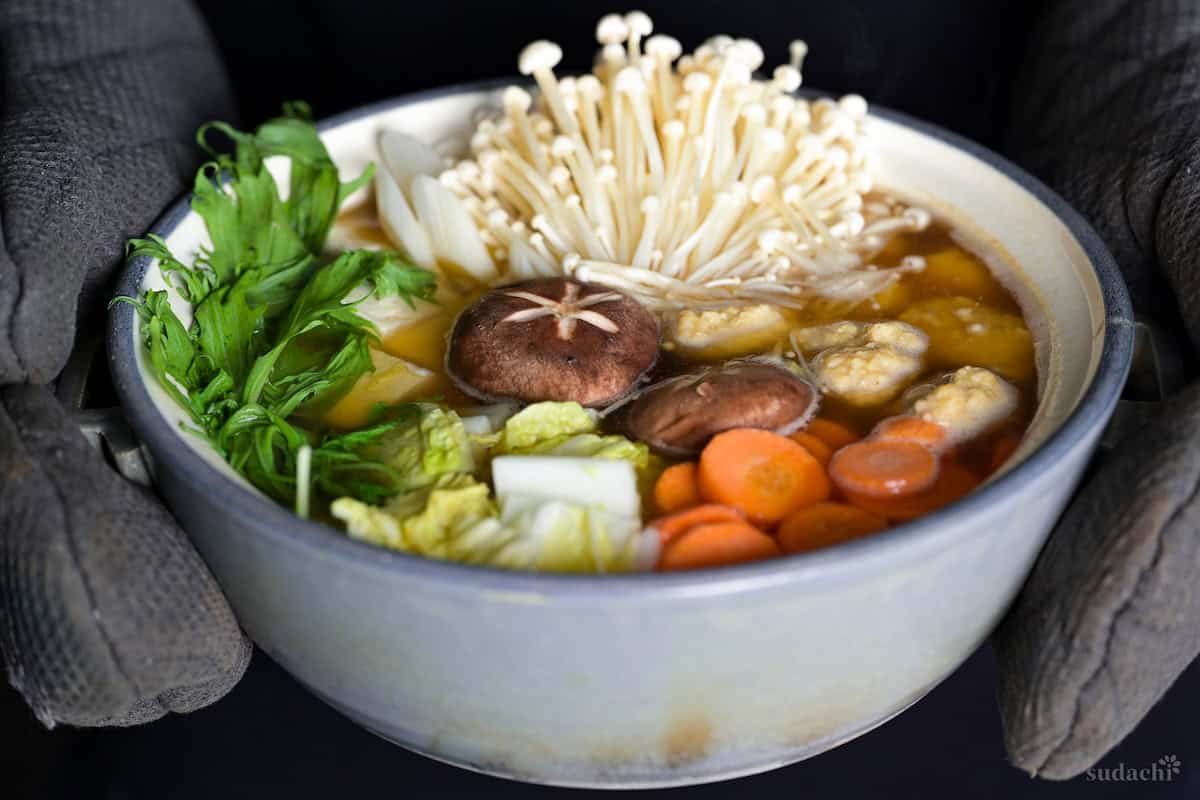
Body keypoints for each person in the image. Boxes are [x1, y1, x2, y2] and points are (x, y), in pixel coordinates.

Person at [1, 0, 1197, 782]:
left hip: (935, 667)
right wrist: (88, 36)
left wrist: (1155, 40)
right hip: (296, 687)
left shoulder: (922, 311)